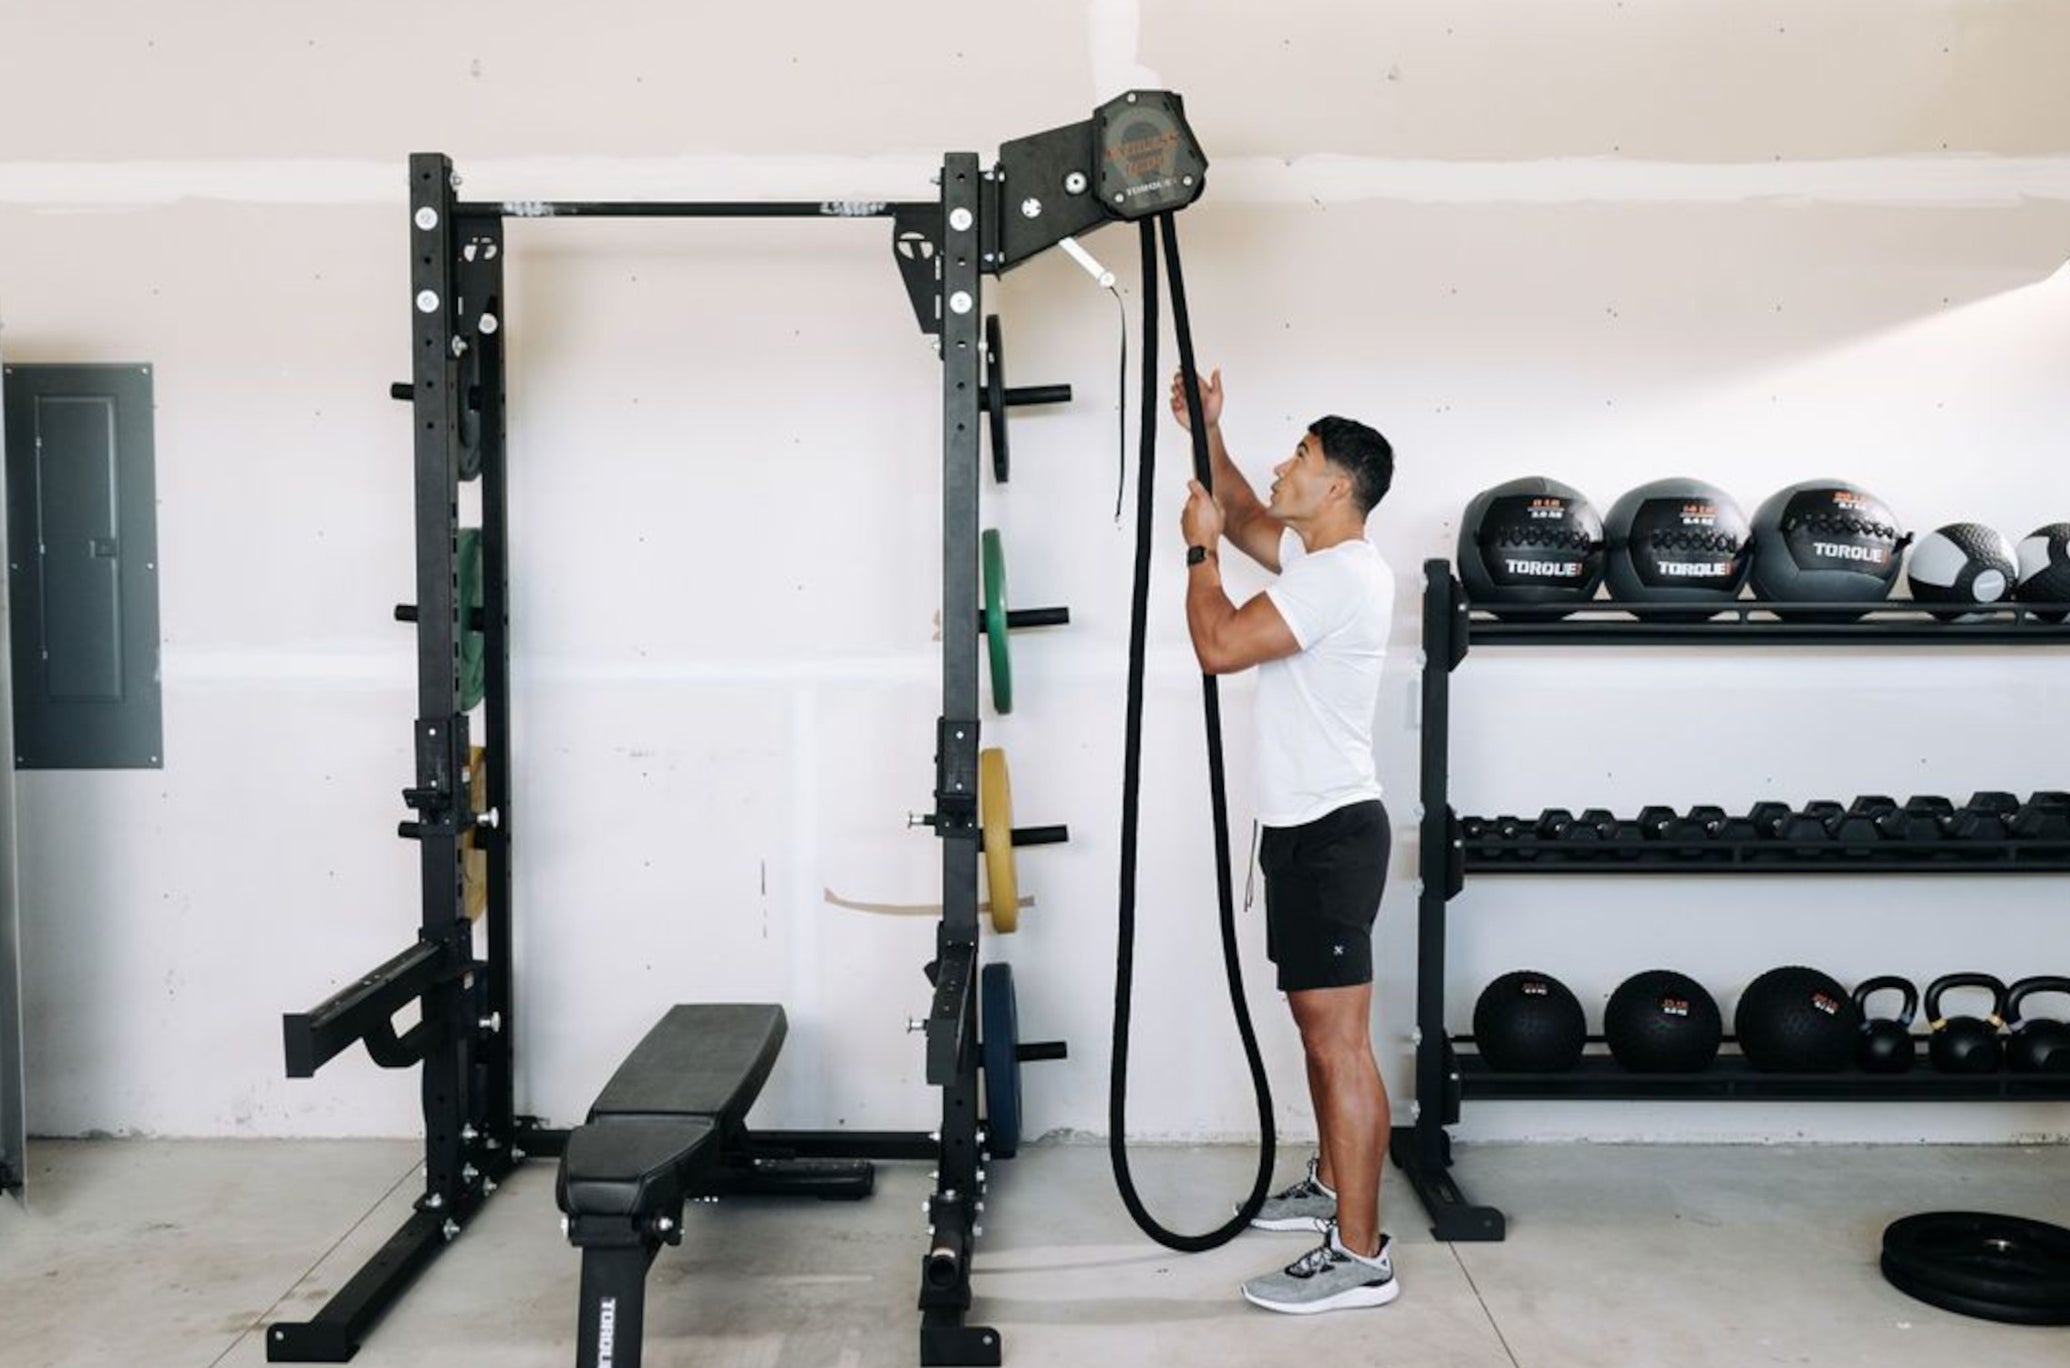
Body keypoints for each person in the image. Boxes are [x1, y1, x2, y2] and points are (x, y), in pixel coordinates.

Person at [1171, 366, 1399, 1315]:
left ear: (1338, 485)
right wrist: (1211, 432)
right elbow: (1237, 501)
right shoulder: (1320, 565)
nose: (1280, 465)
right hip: (1305, 832)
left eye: (1299, 455)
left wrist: (1198, 558)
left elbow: (1218, 646)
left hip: (1334, 837)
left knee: (1340, 1044)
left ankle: (1360, 1254)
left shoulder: (1341, 578)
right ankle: (1332, 1186)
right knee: (1317, 1034)